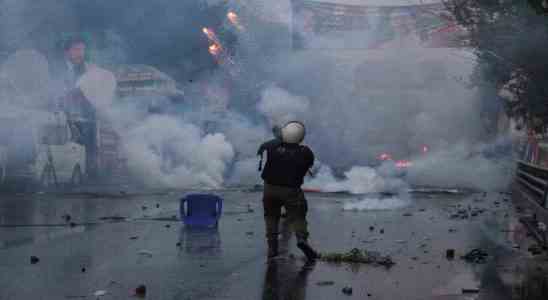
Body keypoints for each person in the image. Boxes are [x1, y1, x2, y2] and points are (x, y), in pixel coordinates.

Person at [258, 121, 319, 261]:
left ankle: (272, 249)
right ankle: (301, 239)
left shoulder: (273, 147)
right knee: (298, 215)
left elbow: (274, 142)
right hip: (291, 191)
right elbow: (308, 163)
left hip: (269, 189)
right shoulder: (305, 152)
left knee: (271, 217)